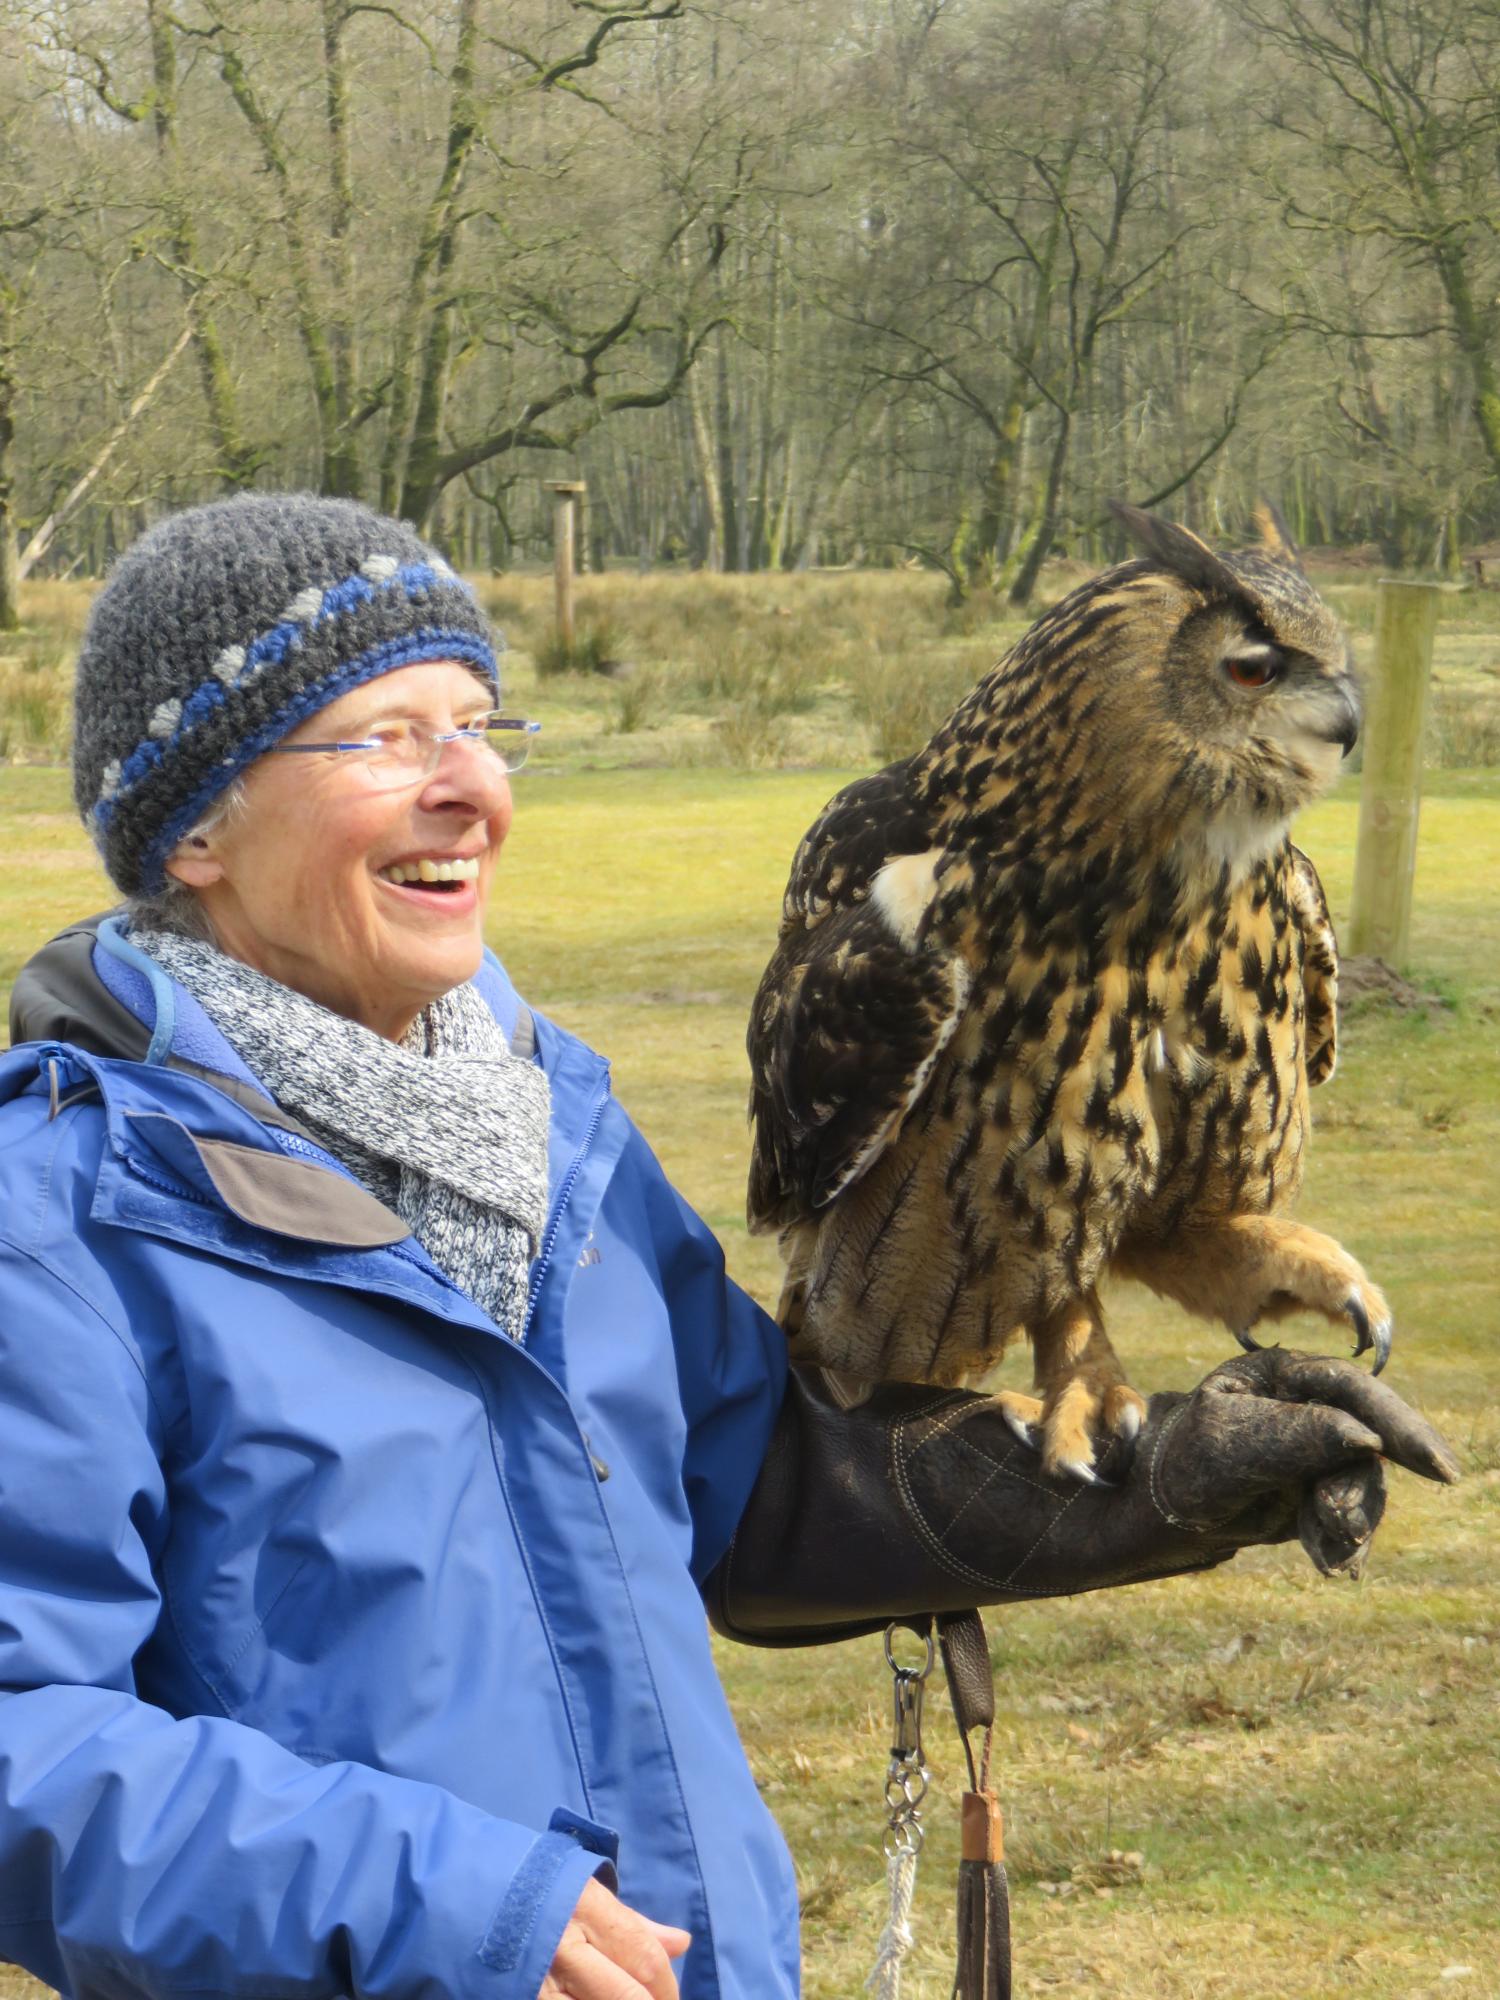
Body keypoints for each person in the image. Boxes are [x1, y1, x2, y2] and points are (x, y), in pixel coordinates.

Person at [0, 495, 1457, 2000]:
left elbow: (755, 1490)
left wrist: (1159, 1490)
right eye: (387, 739)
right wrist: (439, 1904)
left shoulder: (545, 1131)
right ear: (194, 828)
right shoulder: (61, 1221)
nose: (473, 789)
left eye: (484, 730)